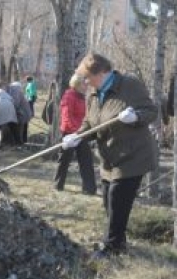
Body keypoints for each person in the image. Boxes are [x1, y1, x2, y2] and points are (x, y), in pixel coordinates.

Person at [62, 53, 158, 259]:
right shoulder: (94, 95)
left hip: (133, 155)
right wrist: (77, 136)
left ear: (103, 72)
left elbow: (151, 111)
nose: (85, 82)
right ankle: (119, 241)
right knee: (108, 201)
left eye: (88, 77)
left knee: (117, 198)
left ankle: (112, 247)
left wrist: (136, 117)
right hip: (109, 158)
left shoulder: (129, 85)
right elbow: (90, 123)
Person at [54, 74, 97, 195]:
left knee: (86, 160)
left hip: (81, 133)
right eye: (84, 84)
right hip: (69, 133)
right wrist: (74, 133)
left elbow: (86, 116)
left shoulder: (83, 97)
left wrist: (83, 132)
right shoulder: (69, 95)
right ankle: (58, 185)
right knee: (64, 160)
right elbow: (67, 116)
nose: (86, 86)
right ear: (77, 84)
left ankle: (89, 189)